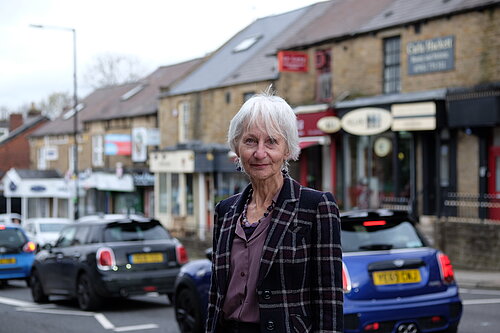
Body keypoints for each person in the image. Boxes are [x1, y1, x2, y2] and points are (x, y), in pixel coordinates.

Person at [206, 92, 343, 333]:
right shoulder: (225, 211)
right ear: (237, 147)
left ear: (287, 149)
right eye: (250, 141)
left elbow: (329, 299)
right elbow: (216, 295)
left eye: (271, 141)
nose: (260, 153)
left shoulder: (316, 207)